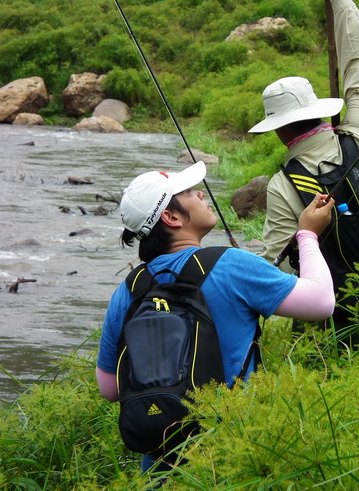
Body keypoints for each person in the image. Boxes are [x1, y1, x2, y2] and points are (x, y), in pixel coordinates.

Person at [96, 160, 335, 473]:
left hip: (160, 465)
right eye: (190, 193)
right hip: (233, 454)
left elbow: (110, 389)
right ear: (170, 217)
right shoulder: (231, 264)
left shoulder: (127, 291)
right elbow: (321, 302)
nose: (201, 196)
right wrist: (307, 234)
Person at [248, 0, 359, 337]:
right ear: (319, 111)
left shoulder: (283, 186)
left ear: (279, 132)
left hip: (329, 334)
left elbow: (276, 271)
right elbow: (358, 61)